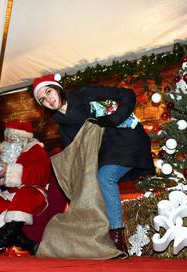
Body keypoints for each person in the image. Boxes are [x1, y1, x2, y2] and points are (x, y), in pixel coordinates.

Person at [31, 74, 155, 258]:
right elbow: (75, 156)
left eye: (48, 92)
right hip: (106, 156)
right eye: (42, 99)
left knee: (105, 177)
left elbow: (128, 96)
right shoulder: (63, 128)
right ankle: (96, 239)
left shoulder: (86, 94)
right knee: (91, 187)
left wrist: (114, 119)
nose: (48, 99)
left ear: (57, 88)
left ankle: (117, 240)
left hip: (126, 139)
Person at [0, 120, 50, 255]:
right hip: (9, 194)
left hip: (33, 192)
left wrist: (11, 170)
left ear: (24, 138)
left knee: (24, 194)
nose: (10, 140)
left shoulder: (36, 149)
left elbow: (41, 174)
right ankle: (29, 244)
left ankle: (1, 243)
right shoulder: (5, 153)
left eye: (14, 137)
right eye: (8, 136)